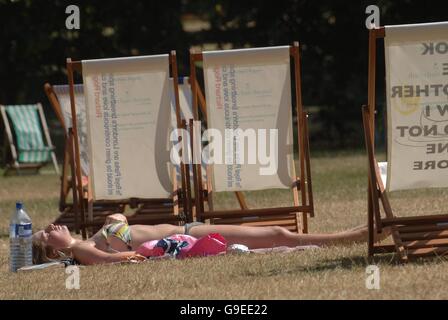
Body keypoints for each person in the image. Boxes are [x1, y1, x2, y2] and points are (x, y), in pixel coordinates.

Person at [32, 213, 388, 265]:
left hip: (188, 229)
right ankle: (352, 237)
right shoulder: (84, 250)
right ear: (52, 251)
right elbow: (124, 261)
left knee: (276, 235)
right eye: (48, 235)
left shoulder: (91, 238)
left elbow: (122, 220)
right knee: (277, 235)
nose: (52, 228)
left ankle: (356, 234)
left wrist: (115, 223)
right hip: (187, 237)